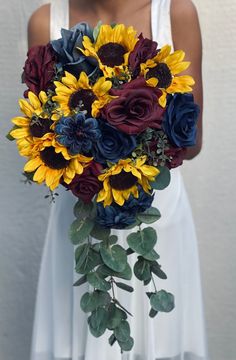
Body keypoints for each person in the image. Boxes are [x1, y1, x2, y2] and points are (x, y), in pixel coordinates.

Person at [28, 0, 208, 359]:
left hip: (158, 218)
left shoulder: (175, 13)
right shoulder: (46, 21)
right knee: (75, 336)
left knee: (162, 341)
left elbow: (192, 142)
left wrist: (129, 138)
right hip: (80, 218)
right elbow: (38, 128)